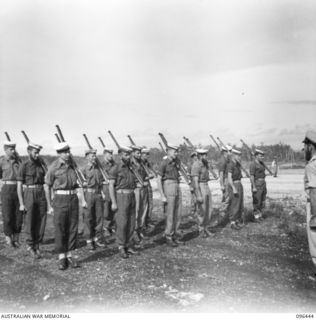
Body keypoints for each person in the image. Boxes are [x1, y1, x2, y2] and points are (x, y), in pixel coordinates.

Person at [45, 142, 80, 270]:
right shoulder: (53, 167)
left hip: (73, 198)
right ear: (59, 153)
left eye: (68, 151)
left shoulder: (72, 165)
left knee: (72, 227)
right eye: (65, 152)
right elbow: (47, 186)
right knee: (60, 228)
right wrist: (49, 205)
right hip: (60, 199)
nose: (68, 154)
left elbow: (76, 182)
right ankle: (61, 257)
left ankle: (70, 255)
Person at [17, 142, 47, 258]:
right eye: (35, 152)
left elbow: (47, 178)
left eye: (38, 152)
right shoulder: (24, 165)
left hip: (41, 192)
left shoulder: (41, 164)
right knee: (29, 220)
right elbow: (19, 185)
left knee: (41, 219)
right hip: (29, 193)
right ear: (29, 152)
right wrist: (21, 203)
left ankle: (37, 244)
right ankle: (30, 246)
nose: (37, 155)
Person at [108, 146, 139, 259]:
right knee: (122, 223)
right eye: (126, 155)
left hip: (131, 195)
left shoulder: (131, 168)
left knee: (131, 221)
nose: (128, 157)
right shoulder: (115, 168)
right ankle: (121, 246)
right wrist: (113, 202)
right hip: (121, 196)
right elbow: (111, 185)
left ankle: (128, 244)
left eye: (129, 154)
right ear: (120, 155)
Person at [157, 144, 184, 247]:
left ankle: (175, 234)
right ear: (168, 151)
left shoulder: (176, 162)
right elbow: (158, 179)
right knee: (170, 213)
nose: (176, 153)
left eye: (177, 151)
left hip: (177, 185)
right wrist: (162, 195)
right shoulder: (164, 163)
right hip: (168, 186)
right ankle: (168, 236)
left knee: (178, 212)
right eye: (174, 151)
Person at [82, 149, 106, 251]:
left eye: (95, 156)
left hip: (98, 194)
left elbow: (100, 183)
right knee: (88, 217)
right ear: (87, 157)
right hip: (88, 194)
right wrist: (83, 200)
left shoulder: (98, 169)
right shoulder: (83, 169)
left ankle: (97, 238)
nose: (94, 158)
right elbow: (80, 186)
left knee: (99, 217)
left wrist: (102, 193)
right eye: (92, 156)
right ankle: (88, 240)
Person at [0, 140, 22, 248]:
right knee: (7, 215)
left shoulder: (18, 161)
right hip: (7, 189)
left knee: (18, 215)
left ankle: (16, 238)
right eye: (10, 149)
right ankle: (8, 238)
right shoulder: (1, 161)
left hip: (18, 188)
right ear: (5, 149)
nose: (13, 151)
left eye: (14, 149)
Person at [191, 149, 214, 238]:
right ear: (200, 155)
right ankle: (201, 229)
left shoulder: (205, 164)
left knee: (209, 208)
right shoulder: (196, 165)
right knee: (202, 209)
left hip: (206, 185)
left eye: (206, 154)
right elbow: (195, 181)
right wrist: (198, 195)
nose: (206, 156)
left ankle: (206, 227)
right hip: (200, 186)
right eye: (204, 155)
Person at [130, 145, 149, 244]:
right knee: (136, 211)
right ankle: (134, 231)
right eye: (137, 153)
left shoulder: (141, 163)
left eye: (140, 153)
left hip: (144, 189)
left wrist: (146, 179)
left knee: (143, 210)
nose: (139, 155)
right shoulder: (130, 164)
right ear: (132, 153)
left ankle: (140, 229)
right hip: (136, 189)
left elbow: (146, 175)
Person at [227, 149, 244, 230]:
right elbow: (229, 178)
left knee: (239, 203)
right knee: (234, 204)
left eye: (239, 155)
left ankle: (237, 220)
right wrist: (233, 188)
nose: (239, 157)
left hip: (239, 184)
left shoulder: (237, 164)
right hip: (233, 185)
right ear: (233, 155)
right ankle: (232, 222)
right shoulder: (231, 164)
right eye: (237, 155)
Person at [101, 147, 116, 237]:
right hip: (105, 188)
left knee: (114, 207)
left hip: (114, 187)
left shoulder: (114, 164)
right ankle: (106, 227)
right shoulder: (101, 165)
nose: (111, 155)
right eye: (109, 154)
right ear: (104, 155)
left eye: (111, 153)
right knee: (106, 208)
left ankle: (112, 225)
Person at [249, 149, 267, 222]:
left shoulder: (262, 164)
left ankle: (260, 215)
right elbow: (252, 176)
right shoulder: (253, 164)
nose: (262, 157)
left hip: (263, 183)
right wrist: (253, 186)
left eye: (263, 156)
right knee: (257, 200)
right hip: (257, 184)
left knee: (262, 200)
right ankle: (256, 217)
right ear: (256, 156)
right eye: (260, 156)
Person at [303, 130, 316, 228]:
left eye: (305, 146)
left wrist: (314, 218)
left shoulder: (312, 165)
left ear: (310, 146)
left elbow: (314, 191)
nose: (304, 149)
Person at [140, 147, 155, 232]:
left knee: (150, 204)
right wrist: (147, 176)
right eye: (146, 154)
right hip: (142, 185)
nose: (147, 156)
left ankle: (147, 221)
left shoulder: (146, 163)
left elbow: (152, 172)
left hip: (148, 184)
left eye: (148, 154)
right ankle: (142, 224)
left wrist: (150, 175)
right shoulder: (138, 163)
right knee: (143, 206)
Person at [217, 145, 232, 224]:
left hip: (228, 180)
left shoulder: (227, 159)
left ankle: (227, 216)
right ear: (225, 152)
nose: (231, 153)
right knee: (226, 199)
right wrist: (222, 185)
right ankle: (221, 218)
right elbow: (221, 174)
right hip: (225, 180)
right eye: (230, 151)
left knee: (229, 199)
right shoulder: (223, 160)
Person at [187, 151, 198, 218]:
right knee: (193, 199)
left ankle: (197, 212)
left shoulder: (198, 163)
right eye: (193, 156)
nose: (195, 157)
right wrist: (190, 185)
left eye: (196, 156)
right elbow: (188, 176)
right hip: (193, 183)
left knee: (198, 197)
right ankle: (192, 212)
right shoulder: (190, 165)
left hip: (198, 183)